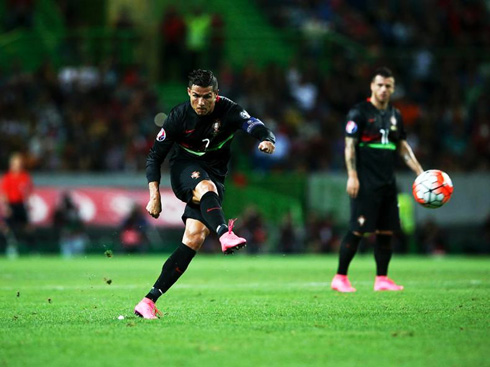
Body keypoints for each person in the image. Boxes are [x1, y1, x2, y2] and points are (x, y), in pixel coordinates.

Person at [134, 69, 276, 319]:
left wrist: (266, 139)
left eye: (207, 97)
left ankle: (148, 301)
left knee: (195, 237)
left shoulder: (229, 110)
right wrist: (154, 195)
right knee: (205, 188)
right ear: (189, 92)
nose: (201, 103)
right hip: (184, 170)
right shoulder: (178, 116)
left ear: (216, 94)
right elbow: (155, 156)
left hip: (215, 175)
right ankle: (224, 234)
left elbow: (253, 124)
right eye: (196, 96)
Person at [331, 67, 423, 292]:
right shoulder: (359, 113)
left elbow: (402, 148)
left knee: (386, 231)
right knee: (357, 229)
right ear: (372, 86)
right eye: (380, 85)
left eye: (388, 86)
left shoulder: (395, 115)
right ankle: (340, 277)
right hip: (365, 182)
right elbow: (350, 147)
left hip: (387, 183)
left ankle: (382, 278)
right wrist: (352, 176)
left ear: (393, 89)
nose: (383, 89)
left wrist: (421, 173)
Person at [0, 153, 34, 257]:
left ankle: (31, 249)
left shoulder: (25, 176)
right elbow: (3, 193)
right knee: (6, 226)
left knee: (28, 227)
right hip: (11, 205)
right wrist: (6, 207)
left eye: (19, 164)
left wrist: (28, 203)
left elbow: (28, 191)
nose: (18, 166)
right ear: (12, 165)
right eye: (16, 164)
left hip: (21, 204)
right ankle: (12, 245)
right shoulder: (7, 177)